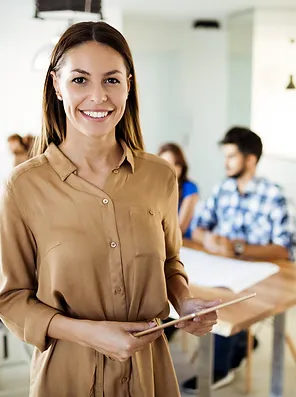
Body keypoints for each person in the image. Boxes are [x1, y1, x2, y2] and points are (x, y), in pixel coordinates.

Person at [0, 21, 219, 397]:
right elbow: (11, 300)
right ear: (56, 85)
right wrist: (88, 333)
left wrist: (184, 301)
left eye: (112, 80)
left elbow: (168, 262)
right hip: (66, 377)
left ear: (129, 85)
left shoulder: (160, 176)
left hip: (151, 376)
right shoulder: (23, 186)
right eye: (80, 80)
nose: (98, 96)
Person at [182, 126, 295, 394]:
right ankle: (241, 342)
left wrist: (238, 248)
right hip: (223, 268)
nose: (225, 163)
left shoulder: (275, 196)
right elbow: (199, 227)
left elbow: (285, 249)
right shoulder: (223, 189)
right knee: (181, 287)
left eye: (231, 156)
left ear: (251, 159)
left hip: (262, 276)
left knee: (222, 304)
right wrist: (208, 239)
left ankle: (219, 367)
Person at [158, 143, 199, 239]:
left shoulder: (190, 188)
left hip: (180, 242)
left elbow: (180, 228)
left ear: (181, 167)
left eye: (175, 164)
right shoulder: (153, 186)